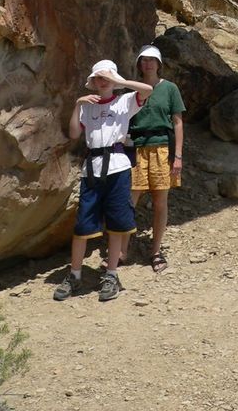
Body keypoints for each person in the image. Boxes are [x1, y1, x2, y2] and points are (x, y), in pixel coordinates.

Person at [53, 59, 153, 302]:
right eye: (98, 77)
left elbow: (148, 90)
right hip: (93, 169)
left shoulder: (125, 101)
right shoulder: (87, 105)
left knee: (118, 223)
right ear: (93, 82)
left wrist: (119, 81)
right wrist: (77, 105)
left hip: (118, 166)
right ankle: (75, 274)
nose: (102, 81)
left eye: (105, 77)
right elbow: (75, 133)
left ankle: (111, 274)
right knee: (82, 225)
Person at [121, 44, 185, 273]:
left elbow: (177, 122)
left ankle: (155, 251)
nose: (147, 63)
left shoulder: (169, 89)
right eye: (143, 60)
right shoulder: (132, 90)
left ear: (159, 64)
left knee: (160, 202)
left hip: (161, 149)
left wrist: (177, 156)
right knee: (129, 201)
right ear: (139, 64)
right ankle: (122, 251)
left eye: (152, 60)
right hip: (136, 149)